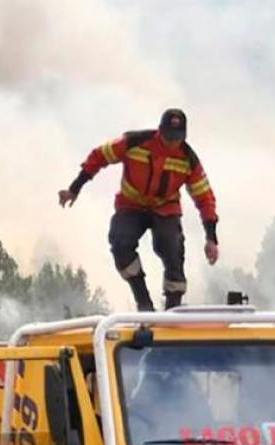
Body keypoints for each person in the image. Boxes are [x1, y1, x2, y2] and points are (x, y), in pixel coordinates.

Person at [59, 108, 219, 311]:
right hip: (131, 205)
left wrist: (211, 238)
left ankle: (173, 310)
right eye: (168, 137)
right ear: (159, 131)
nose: (171, 143)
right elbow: (99, 156)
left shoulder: (189, 160)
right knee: (120, 242)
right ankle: (143, 302)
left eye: (177, 139)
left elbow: (204, 197)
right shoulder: (133, 142)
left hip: (165, 209)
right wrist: (75, 188)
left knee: (172, 248)